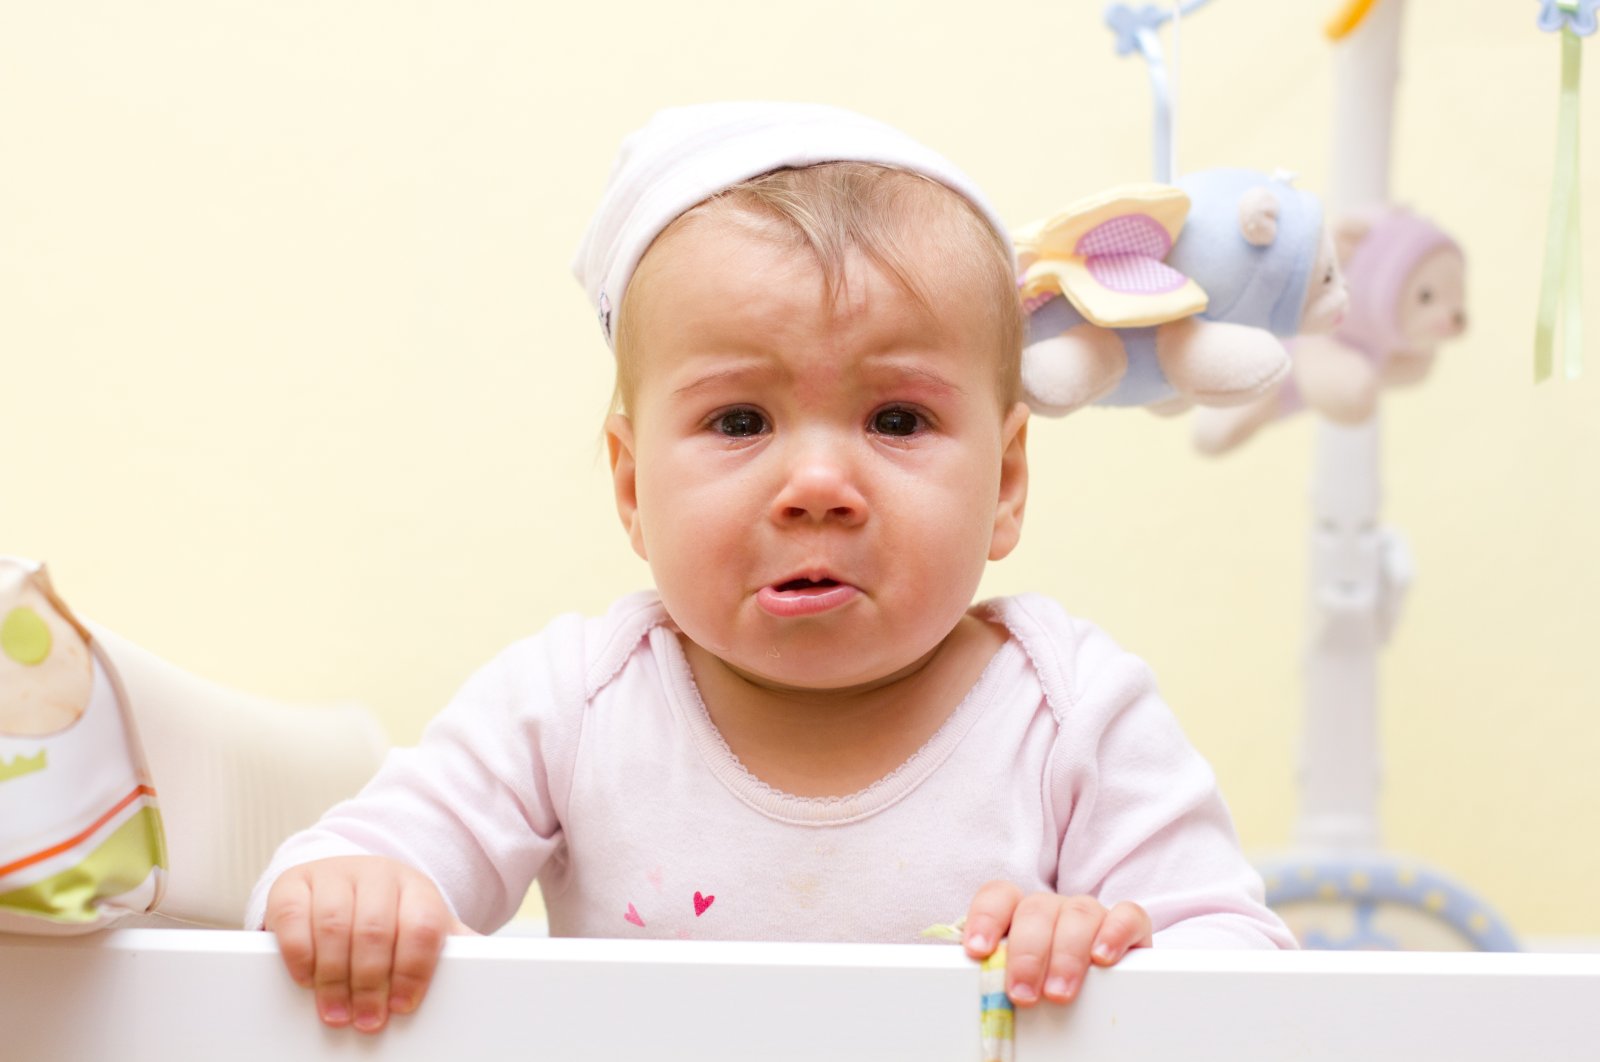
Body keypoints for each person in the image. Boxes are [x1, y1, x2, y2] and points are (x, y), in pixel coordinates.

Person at [246, 101, 1293, 1035]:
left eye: (897, 419)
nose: (819, 484)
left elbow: (1239, 973)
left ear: (1007, 480)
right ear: (630, 489)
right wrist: (362, 892)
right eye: (740, 420)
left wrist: (1107, 952)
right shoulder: (569, 703)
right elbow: (345, 869)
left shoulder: (1071, 714)